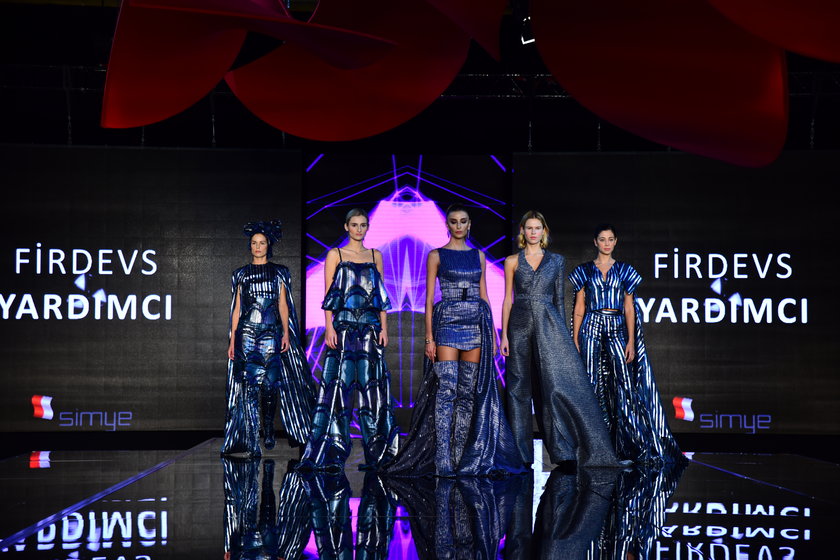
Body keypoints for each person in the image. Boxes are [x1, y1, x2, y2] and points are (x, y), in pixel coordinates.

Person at [383, 203, 525, 477]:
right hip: (447, 322)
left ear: (469, 224)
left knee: (467, 394)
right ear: (447, 225)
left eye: (463, 221)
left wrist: (493, 334)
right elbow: (428, 300)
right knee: (446, 389)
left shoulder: (478, 256)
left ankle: (460, 457)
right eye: (453, 221)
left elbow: (484, 295)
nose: (458, 225)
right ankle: (443, 457)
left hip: (475, 323)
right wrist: (429, 338)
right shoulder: (436, 255)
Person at [500, 211, 627, 468]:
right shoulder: (512, 261)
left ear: (543, 231)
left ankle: (562, 451)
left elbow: (559, 299)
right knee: (517, 388)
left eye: (537, 228)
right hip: (519, 325)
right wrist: (504, 334)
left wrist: (564, 337)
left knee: (551, 388)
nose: (533, 232)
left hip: (549, 325)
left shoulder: (556, 261)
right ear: (522, 231)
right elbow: (507, 299)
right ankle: (520, 456)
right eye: (529, 228)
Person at [570, 224, 683, 465]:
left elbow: (629, 308)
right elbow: (579, 307)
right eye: (602, 239)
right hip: (591, 324)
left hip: (617, 325)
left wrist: (631, 340)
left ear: (616, 241)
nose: (606, 243)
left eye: (610, 239)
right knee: (590, 382)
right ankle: (592, 447)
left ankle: (625, 446)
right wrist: (575, 338)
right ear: (595, 242)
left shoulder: (625, 270)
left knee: (623, 382)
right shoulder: (584, 270)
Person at [298, 208, 399, 472]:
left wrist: (384, 328)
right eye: (354, 225)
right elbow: (328, 294)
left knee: (372, 390)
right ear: (346, 227)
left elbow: (380, 296)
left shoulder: (375, 255)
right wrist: (329, 327)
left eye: (363, 225)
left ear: (367, 227)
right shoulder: (336, 254)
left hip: (370, 328)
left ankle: (378, 454)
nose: (358, 229)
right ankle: (333, 453)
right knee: (337, 390)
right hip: (342, 327)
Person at [222, 220, 314, 458]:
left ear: (268, 245)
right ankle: (253, 440)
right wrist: (232, 341)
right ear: (250, 246)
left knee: (270, 385)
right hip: (247, 334)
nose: (257, 247)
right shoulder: (240, 274)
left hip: (271, 332)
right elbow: (237, 309)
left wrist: (286, 332)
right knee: (250, 387)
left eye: (261, 243)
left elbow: (283, 305)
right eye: (254, 243)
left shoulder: (279, 272)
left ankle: (269, 426)